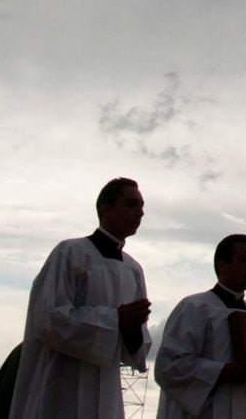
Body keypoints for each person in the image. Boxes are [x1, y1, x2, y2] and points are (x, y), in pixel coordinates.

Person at [9, 178, 153, 419]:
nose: (140, 213)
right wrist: (116, 319)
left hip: (107, 386)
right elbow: (49, 318)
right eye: (131, 204)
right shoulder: (70, 253)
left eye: (141, 206)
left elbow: (135, 348)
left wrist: (131, 328)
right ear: (106, 209)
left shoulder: (133, 270)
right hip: (61, 382)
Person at [154, 233, 246, 419]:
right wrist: (222, 371)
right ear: (222, 265)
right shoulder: (194, 308)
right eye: (245, 260)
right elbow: (169, 366)